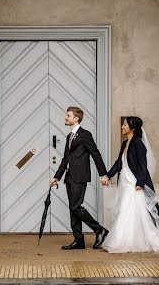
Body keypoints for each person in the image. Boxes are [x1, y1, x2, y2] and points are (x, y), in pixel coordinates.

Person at [101, 116, 159, 253]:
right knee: (125, 209)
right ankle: (124, 240)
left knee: (131, 208)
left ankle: (130, 240)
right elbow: (119, 163)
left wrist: (140, 182)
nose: (122, 127)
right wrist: (108, 175)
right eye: (123, 124)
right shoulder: (125, 143)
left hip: (134, 182)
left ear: (133, 128)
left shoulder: (138, 144)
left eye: (125, 125)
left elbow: (143, 165)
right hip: (125, 181)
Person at [50, 106, 110, 250]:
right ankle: (79, 240)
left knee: (76, 207)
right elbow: (65, 159)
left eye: (68, 115)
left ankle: (99, 230)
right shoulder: (69, 136)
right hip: (69, 177)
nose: (66, 117)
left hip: (80, 177)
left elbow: (96, 154)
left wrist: (103, 174)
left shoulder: (85, 135)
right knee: (73, 209)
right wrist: (56, 177)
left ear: (76, 118)